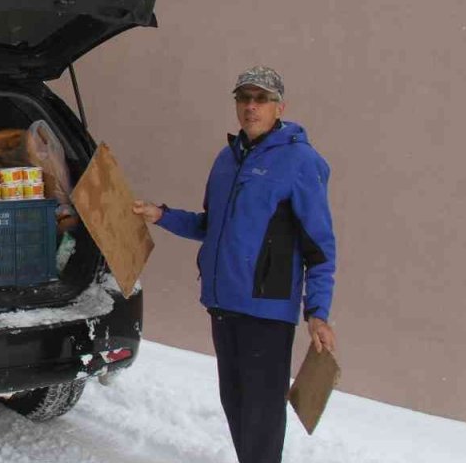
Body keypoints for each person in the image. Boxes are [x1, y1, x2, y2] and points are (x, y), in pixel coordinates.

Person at [133, 66, 337, 463]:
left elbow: (321, 247)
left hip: (266, 310)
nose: (251, 106)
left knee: (261, 417)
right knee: (237, 407)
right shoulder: (227, 159)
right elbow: (211, 227)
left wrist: (318, 312)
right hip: (223, 305)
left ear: (280, 107)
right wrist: (162, 215)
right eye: (243, 98)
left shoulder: (300, 161)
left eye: (261, 99)